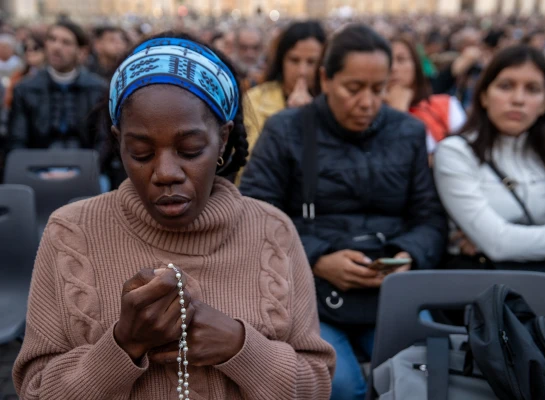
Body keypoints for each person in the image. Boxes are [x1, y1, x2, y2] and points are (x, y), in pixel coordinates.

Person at [12, 32, 335, 399]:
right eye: (141, 153)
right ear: (119, 143)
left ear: (223, 140)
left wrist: (240, 347)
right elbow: (35, 391)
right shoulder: (71, 233)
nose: (166, 172)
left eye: (190, 149)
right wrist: (123, 344)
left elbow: (318, 383)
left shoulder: (273, 232)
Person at [240, 24, 447, 400]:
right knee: (339, 385)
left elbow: (430, 217)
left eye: (379, 88)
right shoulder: (286, 129)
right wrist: (318, 258)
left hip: (388, 285)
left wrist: (406, 255)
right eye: (354, 88)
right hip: (308, 290)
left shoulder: (408, 132)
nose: (367, 102)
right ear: (325, 79)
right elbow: (257, 214)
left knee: (425, 377)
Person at [434, 45, 545, 365]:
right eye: (506, 86)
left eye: (533, 89)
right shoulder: (456, 152)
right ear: (483, 95)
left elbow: (503, 239)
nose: (518, 99)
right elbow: (498, 245)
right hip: (483, 287)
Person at [8, 20, 106, 150]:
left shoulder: (98, 89)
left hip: (87, 165)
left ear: (82, 51)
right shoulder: (25, 88)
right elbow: (17, 139)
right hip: (35, 164)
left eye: (66, 42)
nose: (56, 47)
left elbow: (103, 140)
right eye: (52, 39)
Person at [244, 21, 326, 155]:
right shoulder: (256, 99)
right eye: (294, 60)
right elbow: (250, 161)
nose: (302, 71)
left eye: (311, 62)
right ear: (281, 60)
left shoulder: (334, 103)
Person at [385, 36, 466, 155]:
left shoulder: (446, 105)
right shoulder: (367, 116)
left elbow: (465, 155)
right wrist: (398, 112)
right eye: (387, 62)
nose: (393, 68)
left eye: (401, 59)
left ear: (416, 65)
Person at [4, 35, 45, 109]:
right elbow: (8, 101)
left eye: (35, 48)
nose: (29, 51)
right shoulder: (18, 76)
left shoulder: (54, 76)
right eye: (26, 48)